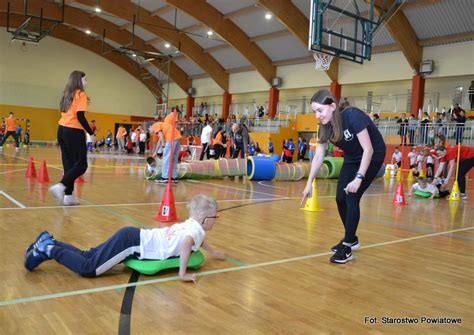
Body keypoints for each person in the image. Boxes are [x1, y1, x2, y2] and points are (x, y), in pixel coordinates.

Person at [24, 195, 225, 282]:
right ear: (206, 220)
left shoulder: (190, 223)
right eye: (216, 217)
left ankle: (49, 241)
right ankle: (48, 249)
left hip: (132, 235)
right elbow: (188, 243)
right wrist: (182, 274)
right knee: (89, 268)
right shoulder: (196, 231)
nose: (216, 220)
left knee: (89, 256)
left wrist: (213, 251)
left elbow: (195, 240)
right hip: (132, 244)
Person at [302, 89, 386, 264]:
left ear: (332, 106)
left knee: (352, 196)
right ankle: (352, 238)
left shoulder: (352, 116)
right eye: (314, 112)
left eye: (320, 110)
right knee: (340, 197)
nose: (317, 116)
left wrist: (359, 178)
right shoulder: (324, 127)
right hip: (352, 157)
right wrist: (309, 183)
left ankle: (347, 246)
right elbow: (319, 156)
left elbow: (368, 149)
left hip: (373, 154)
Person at [49, 71, 94, 206]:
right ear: (78, 81)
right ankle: (61, 186)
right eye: (85, 80)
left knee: (68, 164)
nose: (87, 82)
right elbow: (80, 116)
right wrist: (91, 133)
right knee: (81, 165)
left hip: (61, 130)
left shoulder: (66, 94)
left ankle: (68, 197)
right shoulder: (81, 94)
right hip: (73, 131)